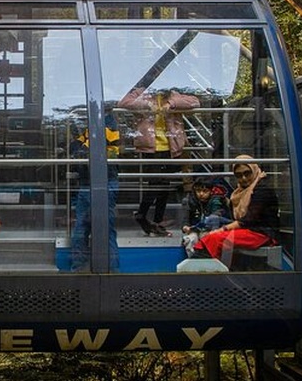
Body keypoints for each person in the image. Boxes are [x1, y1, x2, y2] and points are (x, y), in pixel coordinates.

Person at [117, 87, 199, 236]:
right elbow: (124, 102)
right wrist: (147, 105)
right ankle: (143, 215)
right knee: (156, 184)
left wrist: (171, 104)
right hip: (150, 147)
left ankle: (157, 222)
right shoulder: (143, 93)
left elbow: (195, 102)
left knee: (164, 185)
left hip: (170, 146)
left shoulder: (172, 94)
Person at [192, 155, 279, 261]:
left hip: (262, 233)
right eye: (239, 175)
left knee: (215, 238)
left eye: (247, 173)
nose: (243, 178)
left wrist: (222, 229)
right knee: (210, 237)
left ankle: (202, 268)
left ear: (254, 169)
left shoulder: (262, 190)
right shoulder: (240, 192)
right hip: (248, 230)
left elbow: (249, 219)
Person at [70, 111, 120, 272]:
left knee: (102, 228)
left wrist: (80, 147)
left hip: (103, 181)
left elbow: (83, 150)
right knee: (82, 229)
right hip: (89, 181)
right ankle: (83, 267)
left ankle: (109, 269)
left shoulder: (107, 124)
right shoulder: (92, 125)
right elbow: (75, 148)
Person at [181, 178, 232, 256]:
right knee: (190, 240)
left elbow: (217, 214)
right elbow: (185, 219)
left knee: (207, 238)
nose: (201, 194)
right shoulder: (189, 200)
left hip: (210, 230)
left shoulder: (216, 200)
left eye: (205, 191)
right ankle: (192, 261)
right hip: (194, 230)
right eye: (198, 191)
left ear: (211, 191)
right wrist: (185, 227)